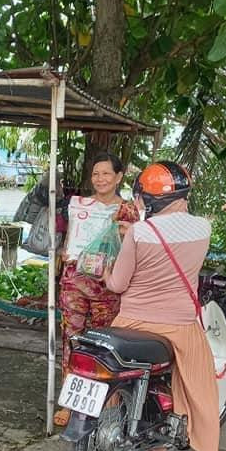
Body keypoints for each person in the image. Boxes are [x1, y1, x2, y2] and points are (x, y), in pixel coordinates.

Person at [104, 161, 226, 451]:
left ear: (146, 198)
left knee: (111, 369)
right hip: (179, 324)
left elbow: (119, 285)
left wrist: (107, 275)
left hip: (131, 320)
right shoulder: (202, 229)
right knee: (203, 389)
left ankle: (107, 421)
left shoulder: (139, 232)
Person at [54, 151, 139, 427]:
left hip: (108, 284)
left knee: (105, 342)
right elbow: (71, 237)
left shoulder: (128, 211)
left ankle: (109, 400)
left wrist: (127, 233)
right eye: (96, 174)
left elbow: (137, 248)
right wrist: (65, 253)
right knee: (72, 338)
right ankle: (69, 401)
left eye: (106, 173)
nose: (100, 179)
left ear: (118, 177)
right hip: (74, 281)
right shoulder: (79, 204)